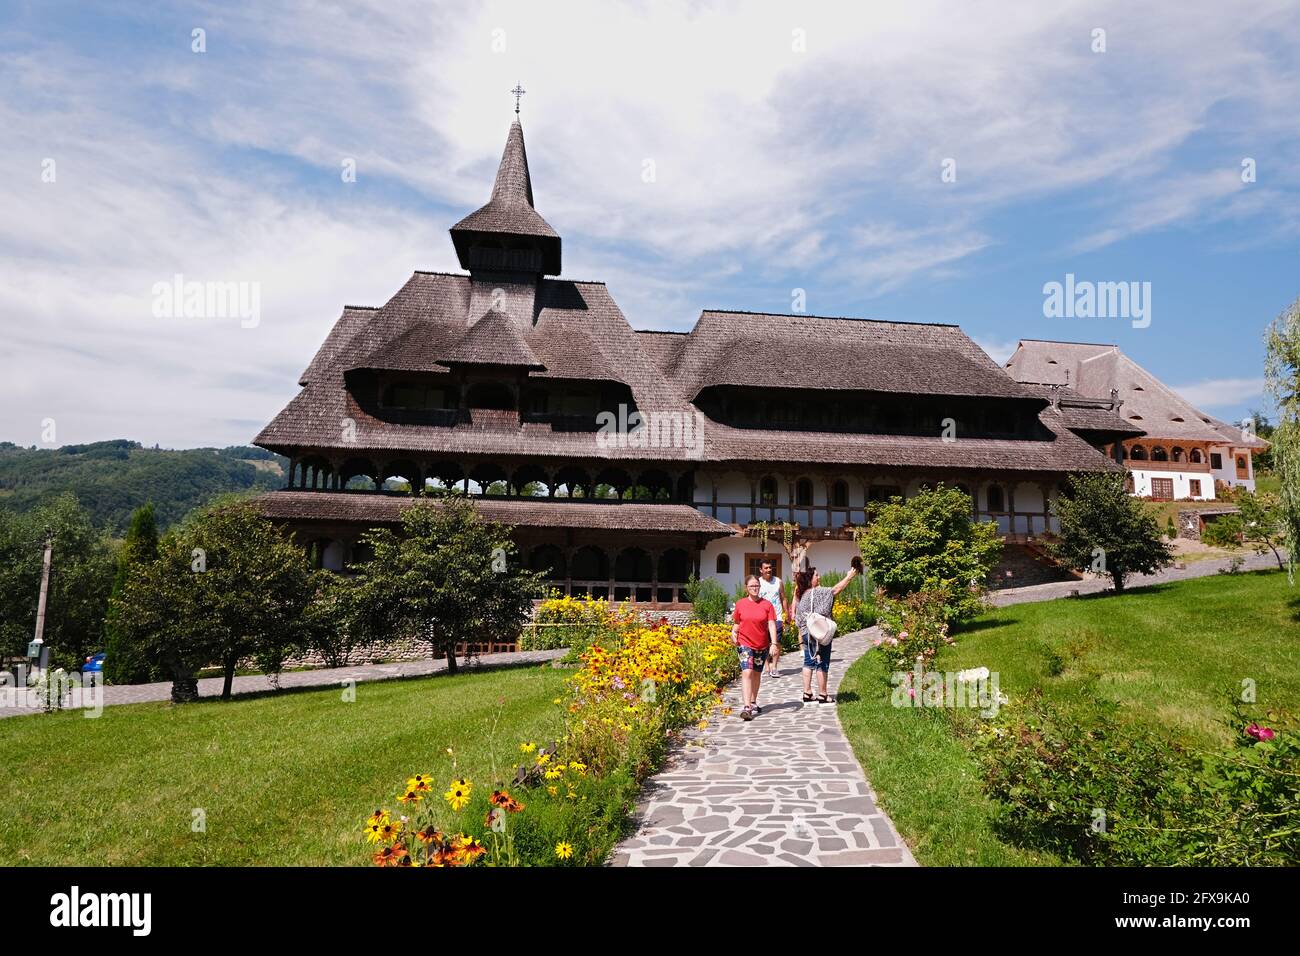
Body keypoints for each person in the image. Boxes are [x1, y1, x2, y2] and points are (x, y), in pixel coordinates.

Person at [794, 555, 862, 704]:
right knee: (822, 662)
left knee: (808, 661)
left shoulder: (803, 594)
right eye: (817, 575)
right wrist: (849, 576)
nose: (819, 577)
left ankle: (807, 692)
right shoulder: (817, 592)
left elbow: (797, 618)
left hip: (806, 632)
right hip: (818, 633)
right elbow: (836, 590)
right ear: (810, 579)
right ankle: (823, 694)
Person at [731, 574, 778, 721]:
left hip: (762, 645)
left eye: (756, 585)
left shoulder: (767, 605)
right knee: (747, 672)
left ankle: (752, 701)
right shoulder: (740, 604)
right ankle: (746, 707)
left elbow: (771, 624)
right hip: (745, 643)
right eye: (752, 586)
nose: (754, 588)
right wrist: (733, 632)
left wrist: (774, 643)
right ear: (746, 588)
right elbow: (737, 623)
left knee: (757, 674)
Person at [757, 558, 789, 679]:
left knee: (777, 642)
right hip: (762, 618)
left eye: (770, 567)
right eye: (766, 568)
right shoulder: (757, 582)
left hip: (777, 617)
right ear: (761, 570)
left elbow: (783, 598)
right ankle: (766, 667)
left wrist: (787, 613)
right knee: (764, 642)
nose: (769, 570)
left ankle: (774, 667)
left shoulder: (778, 582)